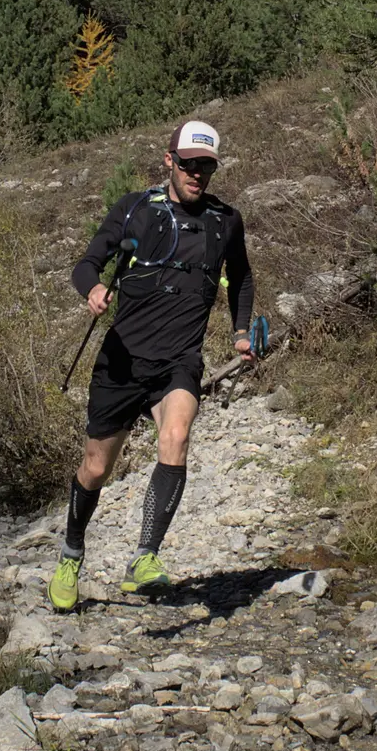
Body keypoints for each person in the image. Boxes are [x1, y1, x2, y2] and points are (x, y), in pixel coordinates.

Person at [48, 119, 256, 611]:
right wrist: (94, 290)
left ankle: (145, 557)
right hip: (123, 360)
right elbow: (85, 264)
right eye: (188, 164)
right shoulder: (136, 208)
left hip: (179, 360)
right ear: (170, 161)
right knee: (96, 468)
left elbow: (242, 278)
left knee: (177, 436)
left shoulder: (226, 220)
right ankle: (71, 554)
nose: (197, 174)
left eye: (206, 166)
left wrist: (241, 331)